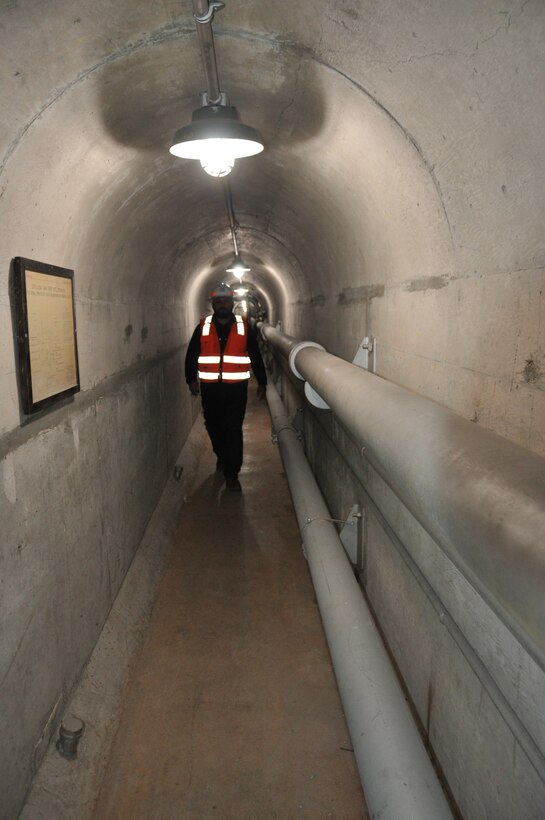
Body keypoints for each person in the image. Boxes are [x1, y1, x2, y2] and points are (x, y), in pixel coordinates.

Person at [185, 282, 267, 491]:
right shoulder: (203, 327)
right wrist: (191, 379)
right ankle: (221, 455)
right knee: (213, 426)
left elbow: (255, 355)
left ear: (231, 303)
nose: (222, 304)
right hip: (210, 388)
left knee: (232, 429)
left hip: (235, 389)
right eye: (218, 301)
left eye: (225, 300)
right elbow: (192, 354)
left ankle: (232, 474)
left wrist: (262, 381)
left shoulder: (243, 326)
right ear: (213, 304)